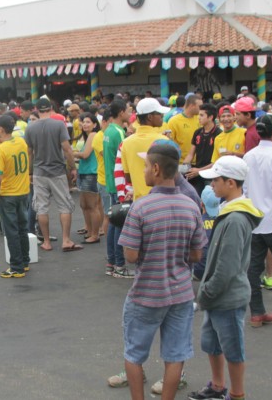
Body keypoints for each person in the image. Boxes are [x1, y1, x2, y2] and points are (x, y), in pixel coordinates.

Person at [117, 142, 207, 400]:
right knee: (175, 355)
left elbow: (131, 255)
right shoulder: (191, 205)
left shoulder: (141, 207)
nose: (143, 170)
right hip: (180, 294)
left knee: (134, 354)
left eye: (146, 166)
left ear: (156, 169)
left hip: (146, 293)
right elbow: (197, 254)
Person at [190, 156, 263, 400]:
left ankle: (236, 393)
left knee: (233, 349)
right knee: (212, 343)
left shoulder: (235, 218)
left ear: (230, 183)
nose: (211, 186)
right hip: (218, 295)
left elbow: (227, 265)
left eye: (216, 181)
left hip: (226, 295)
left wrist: (207, 291)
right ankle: (219, 386)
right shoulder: (230, 211)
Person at [242, 114, 272, 328]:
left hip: (253, 221)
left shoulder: (248, 157)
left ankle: (257, 313)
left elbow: (244, 189)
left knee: (252, 268)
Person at [24, 97, 82, 252]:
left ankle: (47, 242)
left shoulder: (30, 128)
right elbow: (67, 149)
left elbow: (28, 153)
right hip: (57, 172)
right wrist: (72, 168)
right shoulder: (58, 125)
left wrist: (29, 171)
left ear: (37, 109)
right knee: (64, 205)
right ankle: (66, 240)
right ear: (50, 109)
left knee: (41, 208)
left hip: (39, 172)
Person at [0, 115, 30, 278]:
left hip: (8, 193)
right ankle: (25, 261)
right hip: (23, 191)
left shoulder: (2, 149)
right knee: (22, 228)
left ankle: (16, 266)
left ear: (1, 129)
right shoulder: (21, 142)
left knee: (11, 230)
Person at [103, 100, 129, 275]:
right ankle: (119, 264)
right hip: (118, 183)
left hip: (110, 183)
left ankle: (111, 262)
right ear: (121, 112)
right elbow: (123, 161)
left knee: (114, 223)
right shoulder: (119, 132)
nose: (129, 113)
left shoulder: (108, 131)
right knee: (119, 224)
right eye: (128, 110)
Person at [72, 113, 102, 244]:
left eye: (88, 122)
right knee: (84, 205)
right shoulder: (86, 137)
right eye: (83, 122)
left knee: (92, 205)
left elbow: (85, 154)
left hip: (91, 173)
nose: (85, 124)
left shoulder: (93, 135)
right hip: (84, 172)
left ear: (95, 125)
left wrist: (71, 153)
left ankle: (95, 234)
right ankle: (90, 231)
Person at [183, 103, 222, 197]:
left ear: (210, 117)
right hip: (196, 172)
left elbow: (218, 160)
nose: (198, 118)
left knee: (210, 199)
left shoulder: (219, 134)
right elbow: (190, 154)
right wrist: (184, 167)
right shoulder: (197, 132)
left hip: (211, 174)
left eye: (202, 115)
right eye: (198, 115)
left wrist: (199, 170)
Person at [168, 94, 203, 163]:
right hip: (181, 163)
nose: (201, 109)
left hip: (199, 163)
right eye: (200, 106)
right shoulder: (174, 121)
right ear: (191, 106)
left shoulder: (200, 119)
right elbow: (169, 143)